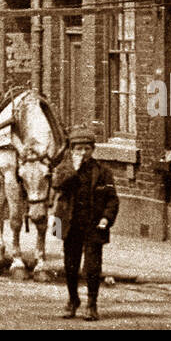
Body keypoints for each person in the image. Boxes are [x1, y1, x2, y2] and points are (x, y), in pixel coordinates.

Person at [51, 125, 119, 322]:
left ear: (92, 149)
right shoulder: (63, 169)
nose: (82, 153)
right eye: (78, 149)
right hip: (67, 222)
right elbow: (57, 186)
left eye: (86, 149)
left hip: (93, 224)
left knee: (92, 267)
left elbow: (112, 198)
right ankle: (73, 300)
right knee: (70, 266)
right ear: (71, 150)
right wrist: (75, 168)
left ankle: (92, 304)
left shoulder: (103, 171)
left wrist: (107, 218)